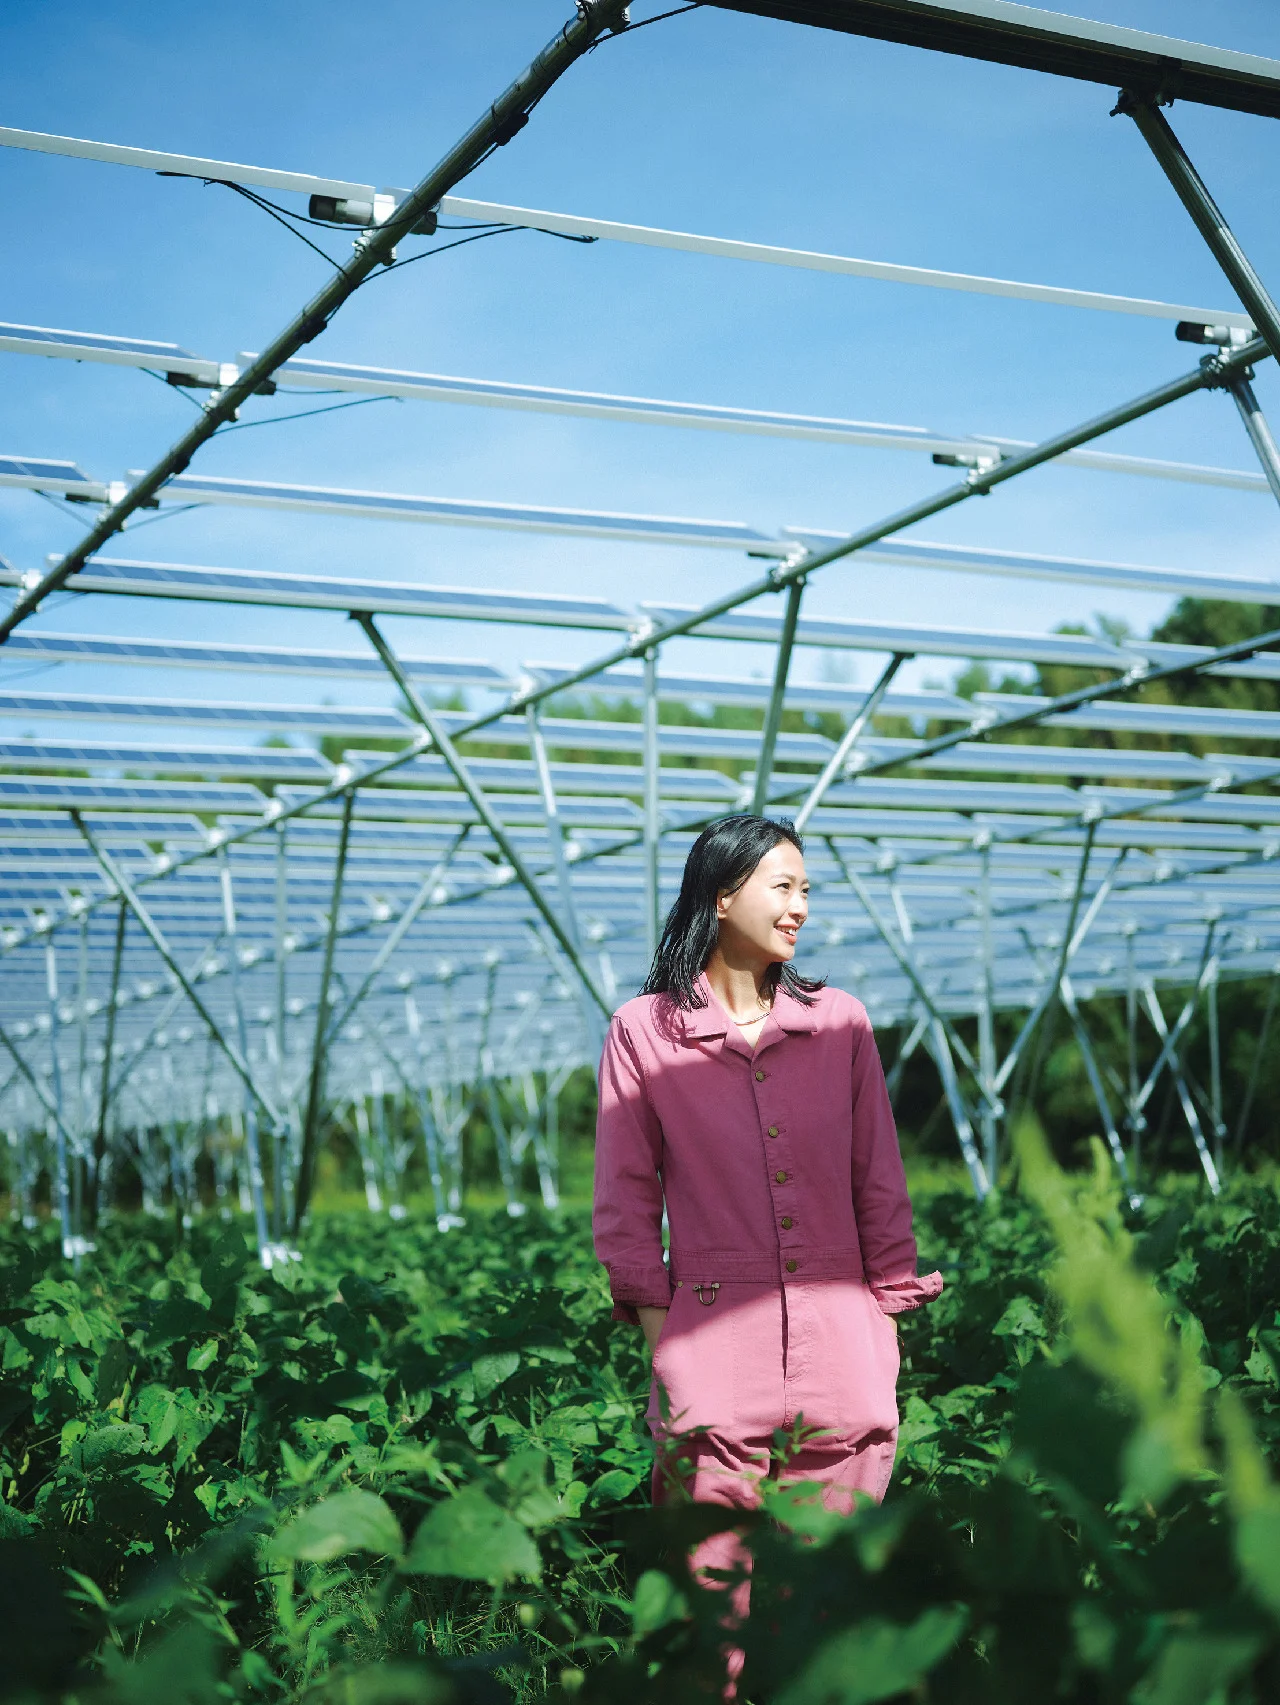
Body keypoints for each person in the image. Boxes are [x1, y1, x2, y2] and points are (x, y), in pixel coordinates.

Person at [592, 815, 942, 1667]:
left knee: (822, 1618)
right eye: (782, 886)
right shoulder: (644, 1032)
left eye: (806, 890)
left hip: (845, 1355)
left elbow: (879, 1186)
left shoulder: (841, 1025)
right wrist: (662, 1342)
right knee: (715, 1624)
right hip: (712, 1352)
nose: (799, 907)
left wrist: (882, 1327)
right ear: (722, 895)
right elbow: (625, 1200)